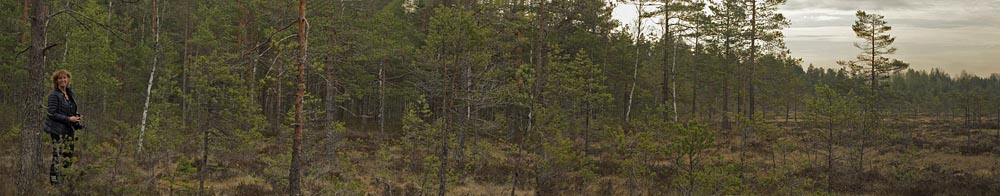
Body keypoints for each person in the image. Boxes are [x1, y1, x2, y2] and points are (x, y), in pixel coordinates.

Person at [44, 69, 84, 185]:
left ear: (68, 79)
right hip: (57, 130)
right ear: (56, 81)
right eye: (60, 78)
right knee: (57, 156)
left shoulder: (69, 93)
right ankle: (54, 183)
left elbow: (70, 110)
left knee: (69, 156)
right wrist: (68, 119)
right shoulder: (53, 95)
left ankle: (64, 180)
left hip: (68, 130)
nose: (63, 80)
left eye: (65, 78)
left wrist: (76, 117)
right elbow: (51, 113)